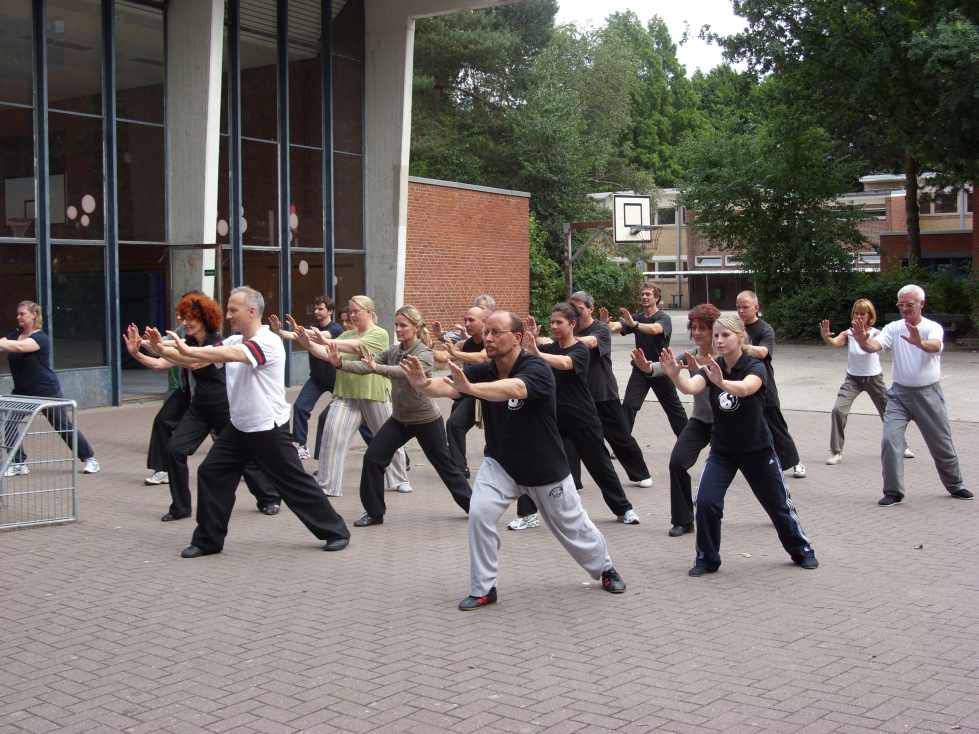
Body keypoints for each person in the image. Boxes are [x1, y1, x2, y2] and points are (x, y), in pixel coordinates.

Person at [402, 310, 627, 610]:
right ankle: (484, 588)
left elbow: (515, 388)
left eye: (496, 332)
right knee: (479, 514)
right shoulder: (485, 370)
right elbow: (449, 385)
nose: (488, 338)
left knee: (574, 528)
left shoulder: (537, 368)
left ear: (517, 337)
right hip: (501, 464)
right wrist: (423, 385)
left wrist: (470, 389)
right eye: (486, 332)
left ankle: (605, 569)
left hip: (544, 467)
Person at [152, 286, 349, 558]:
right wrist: (154, 347)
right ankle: (208, 541)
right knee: (211, 473)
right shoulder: (235, 340)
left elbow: (227, 355)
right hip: (239, 428)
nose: (228, 315)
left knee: (294, 483)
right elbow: (195, 360)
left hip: (268, 429)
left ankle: (336, 531)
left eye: (233, 310)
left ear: (252, 311)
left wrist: (184, 349)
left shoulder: (268, 342)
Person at [660, 314, 818, 576]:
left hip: (758, 450)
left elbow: (745, 389)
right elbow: (690, 387)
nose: (719, 340)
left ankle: (802, 550)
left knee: (778, 506)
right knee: (707, 502)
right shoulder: (713, 366)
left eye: (725, 335)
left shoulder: (755, 366)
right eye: (716, 336)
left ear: (740, 337)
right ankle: (707, 559)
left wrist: (721, 382)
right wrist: (675, 376)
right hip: (723, 451)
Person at [302, 305, 470, 526]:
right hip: (400, 419)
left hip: (426, 420)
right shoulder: (393, 351)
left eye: (403, 325)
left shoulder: (424, 353)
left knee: (445, 467)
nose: (398, 329)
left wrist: (376, 368)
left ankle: (473, 506)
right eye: (397, 325)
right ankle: (374, 513)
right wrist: (340, 363)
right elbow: (366, 365)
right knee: (373, 458)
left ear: (416, 327)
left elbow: (403, 373)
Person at [127, 292, 281, 521]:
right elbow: (161, 362)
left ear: (205, 319)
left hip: (223, 407)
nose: (186, 323)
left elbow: (193, 359)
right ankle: (180, 508)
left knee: (244, 457)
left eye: (191, 318)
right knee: (174, 450)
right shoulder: (188, 343)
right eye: (184, 318)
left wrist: (158, 346)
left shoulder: (217, 342)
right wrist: (137, 351)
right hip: (199, 408)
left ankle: (269, 498)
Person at [512, 303, 640, 527]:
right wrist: (531, 340)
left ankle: (624, 509)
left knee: (600, 465)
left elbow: (565, 363)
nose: (554, 326)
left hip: (582, 417)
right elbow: (527, 358)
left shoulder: (580, 350)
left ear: (572, 324)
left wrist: (538, 353)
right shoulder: (550, 348)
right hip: (553, 418)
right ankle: (527, 515)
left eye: (559, 322)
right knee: (533, 460)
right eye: (552, 322)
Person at [849, 284, 972, 506]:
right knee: (890, 440)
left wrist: (920, 343)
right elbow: (873, 346)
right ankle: (893, 492)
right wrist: (862, 340)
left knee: (941, 443)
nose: (904, 308)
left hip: (928, 394)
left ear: (921, 304)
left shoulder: (932, 327)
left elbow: (935, 345)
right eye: (901, 305)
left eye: (909, 304)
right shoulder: (893, 328)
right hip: (899, 395)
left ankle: (955, 485)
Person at [632, 303, 720, 537]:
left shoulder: (726, 356)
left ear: (715, 329)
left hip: (728, 425)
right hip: (700, 421)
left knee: (757, 471)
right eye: (694, 327)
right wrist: (647, 367)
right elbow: (665, 367)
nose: (697, 332)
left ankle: (781, 508)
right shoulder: (691, 355)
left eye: (702, 328)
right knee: (677, 462)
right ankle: (683, 520)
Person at [314, 295, 409, 497]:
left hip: (373, 393)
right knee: (332, 435)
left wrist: (327, 340)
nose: (352, 315)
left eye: (356, 311)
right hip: (346, 394)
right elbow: (326, 352)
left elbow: (358, 347)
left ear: (369, 312)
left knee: (388, 437)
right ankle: (327, 485)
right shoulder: (345, 335)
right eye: (350, 311)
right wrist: (303, 340)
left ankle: (399, 479)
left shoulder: (379, 334)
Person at [1, 300, 101, 476]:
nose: (18, 317)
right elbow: (6, 343)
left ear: (34, 315)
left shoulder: (41, 338)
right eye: (17, 314)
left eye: (22, 314)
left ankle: (90, 459)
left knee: (62, 426)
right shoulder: (15, 334)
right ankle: (18, 463)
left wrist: (5, 343)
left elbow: (18, 347)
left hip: (46, 391)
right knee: (9, 423)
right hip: (22, 392)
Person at [568, 291, 653, 491]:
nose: (575, 313)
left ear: (590, 309)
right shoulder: (568, 329)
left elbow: (592, 342)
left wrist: (565, 340)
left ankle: (641, 474)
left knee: (620, 437)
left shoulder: (600, 329)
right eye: (572, 308)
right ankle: (572, 481)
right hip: (577, 395)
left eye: (579, 309)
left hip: (603, 393)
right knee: (571, 438)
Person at [819, 298, 915, 465]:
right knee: (837, 411)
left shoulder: (876, 333)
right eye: (856, 313)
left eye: (863, 314)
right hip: (852, 379)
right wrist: (826, 337)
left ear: (870, 316)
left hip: (874, 379)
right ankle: (836, 452)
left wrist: (863, 337)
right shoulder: (849, 333)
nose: (859, 316)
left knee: (889, 413)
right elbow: (835, 342)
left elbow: (872, 346)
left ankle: (902, 445)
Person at [736, 290, 806, 478]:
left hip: (764, 384)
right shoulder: (736, 328)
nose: (741, 311)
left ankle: (795, 462)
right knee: (741, 423)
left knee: (776, 426)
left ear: (756, 308)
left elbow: (763, 352)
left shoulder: (765, 329)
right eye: (738, 307)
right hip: (742, 383)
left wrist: (740, 346)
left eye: (745, 307)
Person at [269, 295, 343, 460]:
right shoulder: (311, 327)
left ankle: (379, 445)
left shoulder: (336, 328)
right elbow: (294, 336)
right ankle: (300, 445)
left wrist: (299, 329)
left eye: (321, 309)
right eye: (315, 308)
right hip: (316, 379)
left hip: (337, 380)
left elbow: (321, 336)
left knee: (355, 416)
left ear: (330, 311)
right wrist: (278, 331)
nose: (316, 311)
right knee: (300, 407)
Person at [609, 283, 688, 436]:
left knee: (673, 409)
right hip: (640, 370)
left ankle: (687, 440)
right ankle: (623, 443)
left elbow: (654, 329)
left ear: (656, 298)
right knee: (629, 406)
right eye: (642, 294)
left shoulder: (663, 318)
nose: (644, 297)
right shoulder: (637, 317)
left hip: (661, 369)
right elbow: (618, 326)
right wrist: (608, 324)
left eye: (648, 294)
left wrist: (635, 324)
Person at [433, 306, 489, 477]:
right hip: (469, 391)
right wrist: (425, 348)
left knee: (496, 434)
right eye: (465, 320)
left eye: (471, 320)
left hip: (490, 392)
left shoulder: (490, 340)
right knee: (454, 425)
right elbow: (444, 357)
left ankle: (498, 464)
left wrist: (457, 354)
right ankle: (459, 468)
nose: (467, 324)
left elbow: (483, 357)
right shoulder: (465, 343)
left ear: (484, 322)